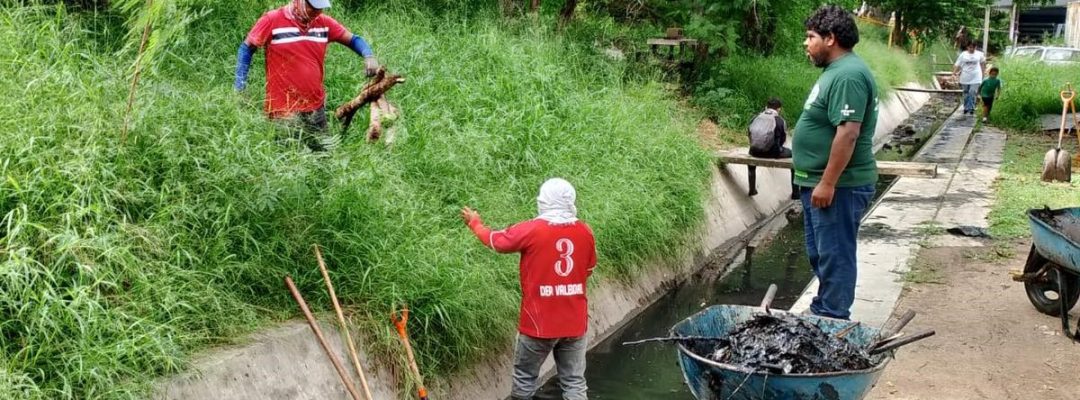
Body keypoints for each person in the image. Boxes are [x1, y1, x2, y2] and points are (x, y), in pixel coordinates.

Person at [461, 178, 596, 400]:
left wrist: (475, 223)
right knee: (574, 383)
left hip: (537, 325)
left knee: (525, 380)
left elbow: (497, 241)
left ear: (543, 201)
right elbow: (588, 269)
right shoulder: (585, 232)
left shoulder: (532, 230)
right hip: (575, 324)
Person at [793, 5, 878, 320]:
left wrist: (828, 182)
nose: (806, 43)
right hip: (820, 182)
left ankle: (831, 317)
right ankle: (824, 309)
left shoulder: (848, 75)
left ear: (830, 39)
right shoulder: (836, 72)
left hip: (840, 185)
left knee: (836, 256)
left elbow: (848, 134)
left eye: (811, 36)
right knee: (822, 254)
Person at [234, 0, 380, 151]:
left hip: (316, 108)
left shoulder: (323, 23)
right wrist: (240, 86)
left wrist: (369, 56)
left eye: (321, 8)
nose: (317, 12)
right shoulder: (272, 20)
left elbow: (354, 40)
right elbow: (246, 48)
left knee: (325, 159)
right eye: (313, 7)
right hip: (284, 111)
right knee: (289, 161)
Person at [747, 98, 798, 199]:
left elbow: (749, 134)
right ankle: (796, 193)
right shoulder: (780, 121)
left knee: (751, 161)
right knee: (795, 158)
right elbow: (783, 140)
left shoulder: (755, 118)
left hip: (754, 152)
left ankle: (752, 189)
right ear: (779, 109)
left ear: (766, 107)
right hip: (773, 153)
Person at [953, 41, 986, 116]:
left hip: (976, 76)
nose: (971, 49)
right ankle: (966, 107)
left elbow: (983, 64)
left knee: (972, 92)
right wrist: (954, 73)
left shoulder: (979, 54)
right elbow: (957, 64)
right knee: (966, 92)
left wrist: (983, 73)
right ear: (967, 47)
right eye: (970, 47)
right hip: (965, 76)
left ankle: (971, 108)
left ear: (975, 47)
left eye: (973, 47)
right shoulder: (963, 54)